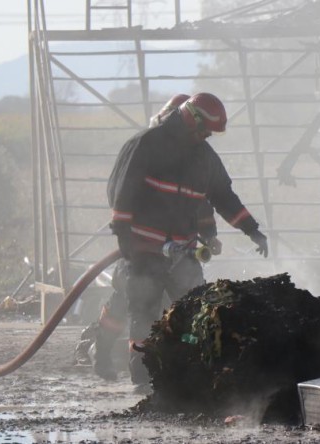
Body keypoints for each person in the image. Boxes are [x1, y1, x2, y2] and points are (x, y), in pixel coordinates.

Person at [94, 92, 268, 386]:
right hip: (144, 249)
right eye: (205, 130)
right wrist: (124, 235)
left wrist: (251, 229)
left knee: (193, 309)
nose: (207, 136)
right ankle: (140, 375)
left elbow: (221, 197)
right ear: (191, 119)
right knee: (142, 310)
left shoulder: (204, 158)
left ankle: (188, 371)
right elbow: (122, 190)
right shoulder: (147, 144)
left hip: (183, 251)